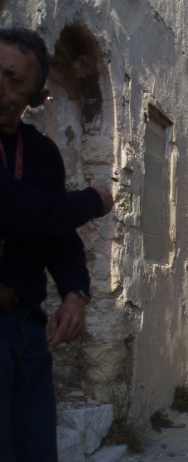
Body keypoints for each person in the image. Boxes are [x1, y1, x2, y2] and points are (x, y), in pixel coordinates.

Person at [0, 27, 113, 461]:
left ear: (36, 95)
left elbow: (57, 236)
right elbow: (18, 210)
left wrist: (74, 294)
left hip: (27, 327)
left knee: (35, 447)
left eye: (15, 81)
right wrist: (93, 201)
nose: (2, 89)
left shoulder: (41, 152)